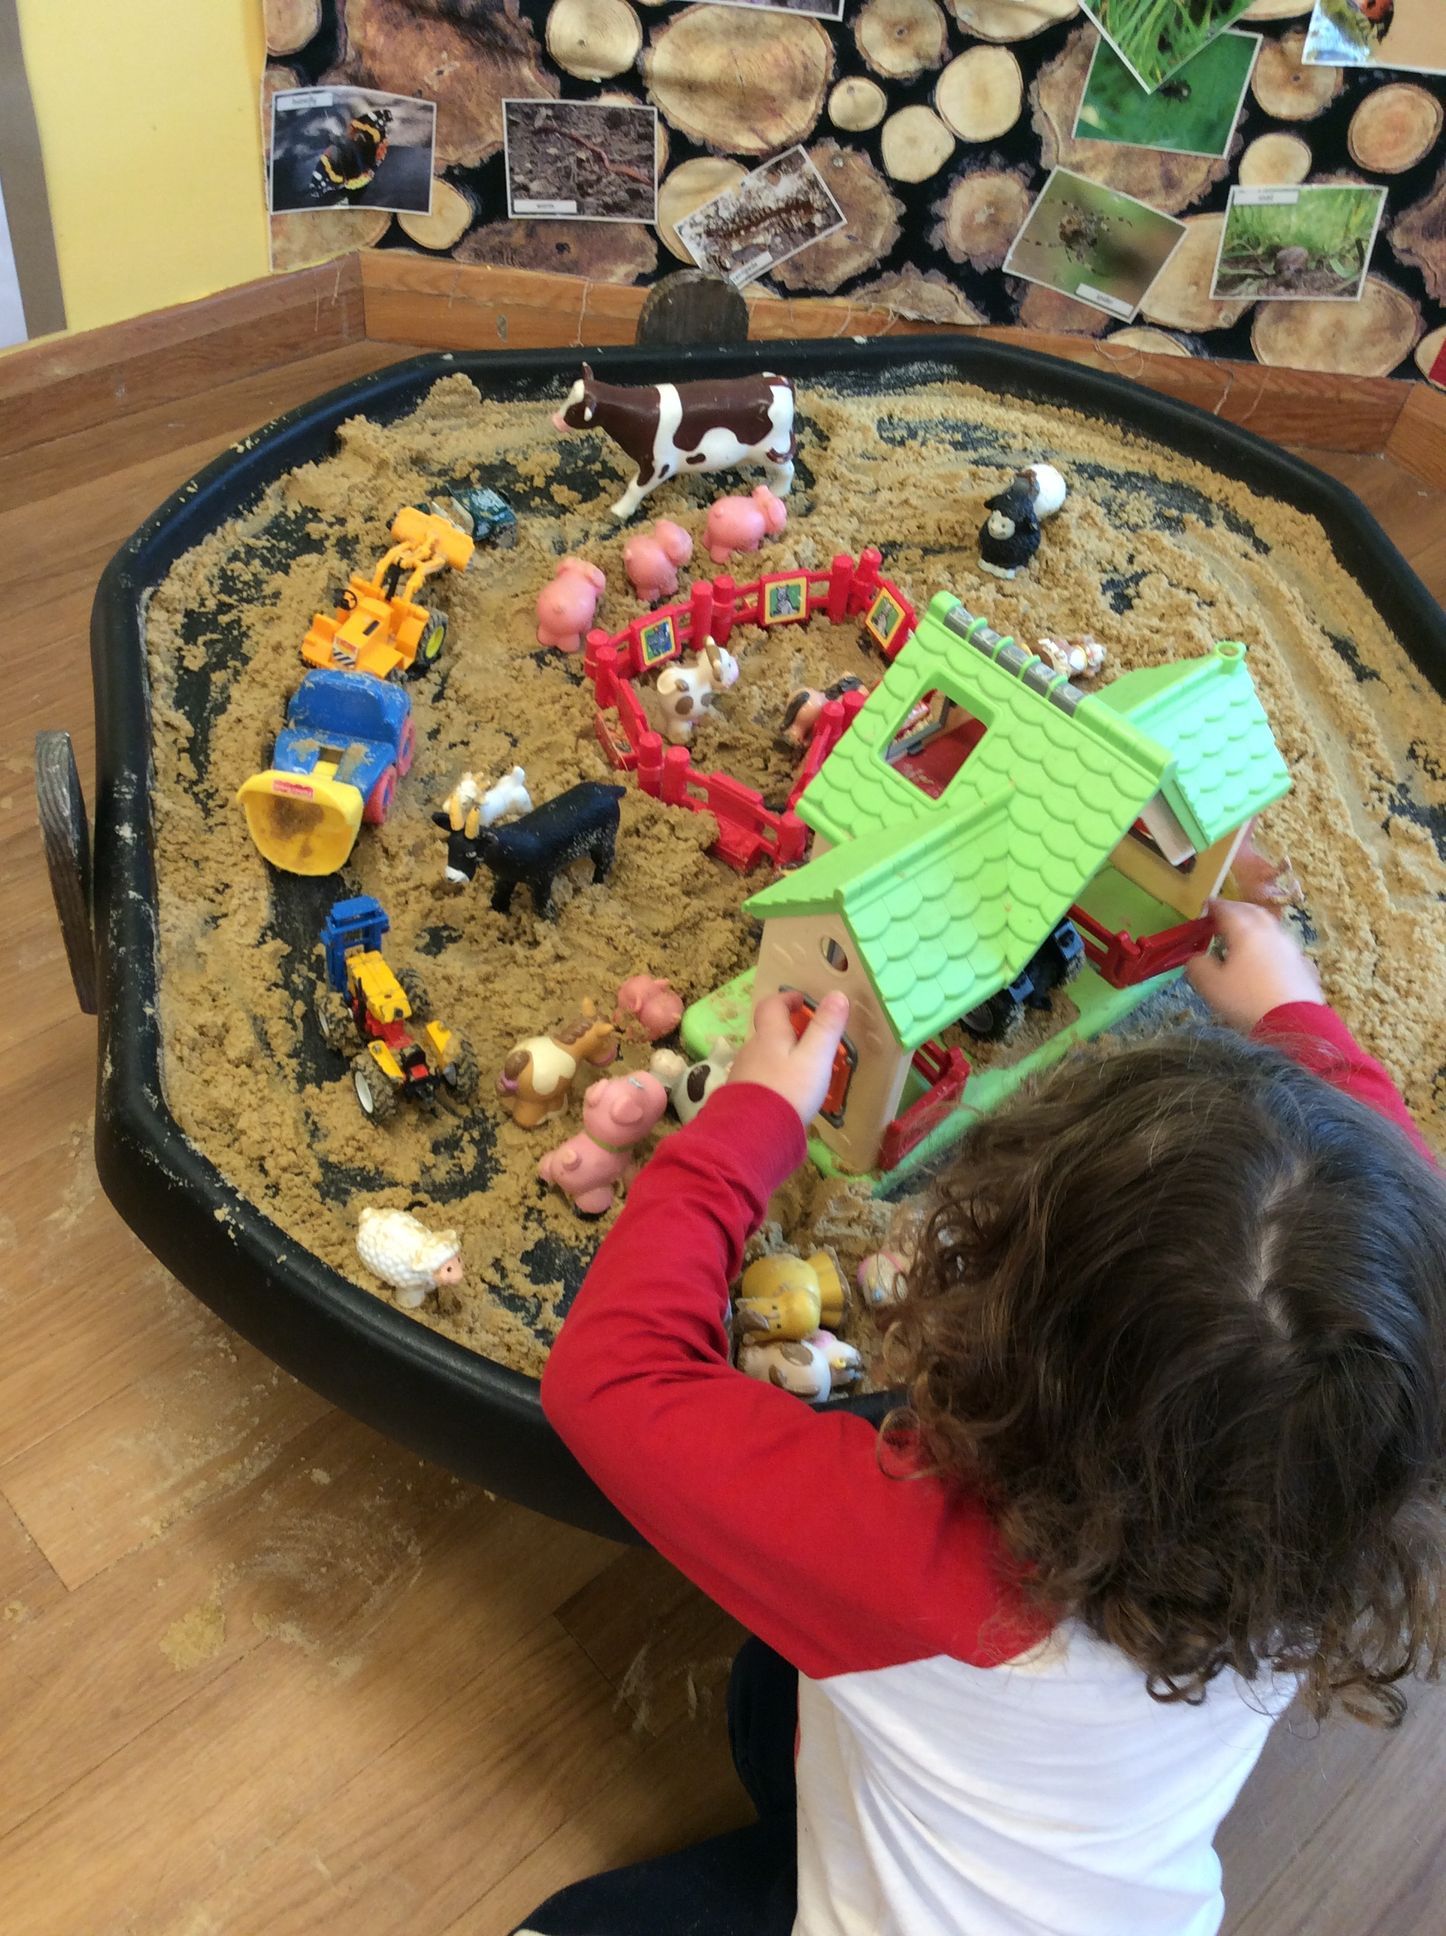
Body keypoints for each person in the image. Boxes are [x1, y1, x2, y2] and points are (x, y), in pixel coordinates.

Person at [517, 900, 1445, 1936]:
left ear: (1012, 1339)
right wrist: (1297, 1017)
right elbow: (1403, 1250)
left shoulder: (920, 1561)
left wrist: (755, 1115)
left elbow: (612, 1376)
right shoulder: (1337, 1483)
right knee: (778, 1696)